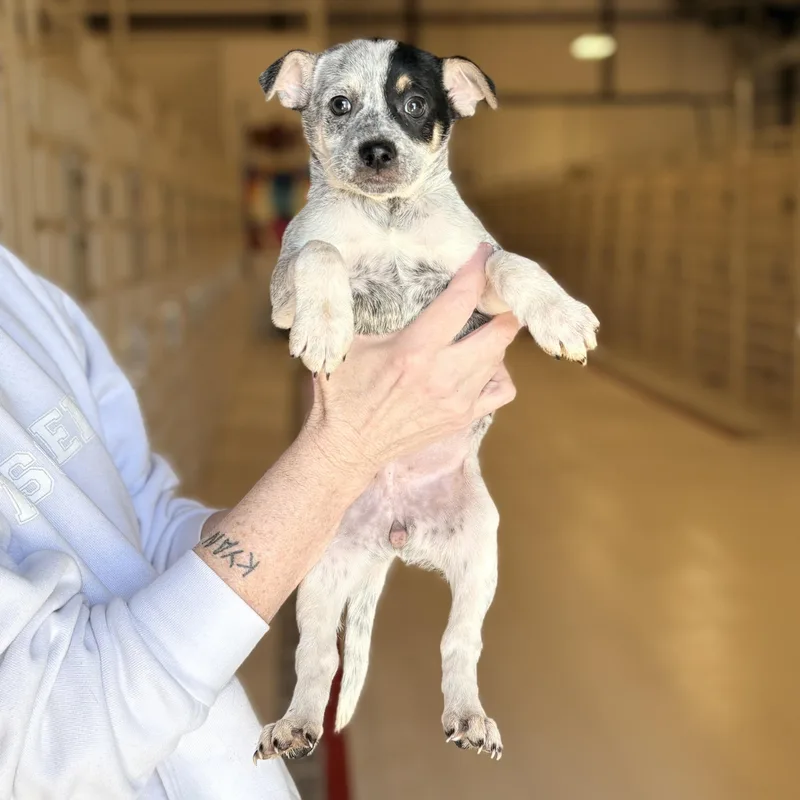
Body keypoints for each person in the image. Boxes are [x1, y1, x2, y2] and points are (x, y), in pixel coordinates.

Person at [0, 242, 519, 799]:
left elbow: (140, 516)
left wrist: (318, 509)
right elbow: (50, 744)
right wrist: (342, 451)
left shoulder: (20, 294)